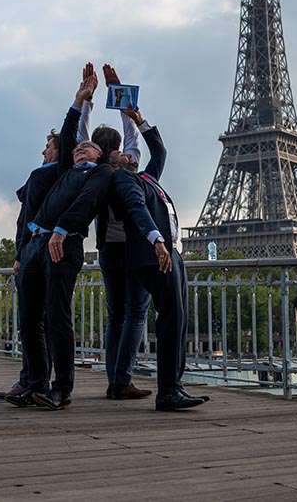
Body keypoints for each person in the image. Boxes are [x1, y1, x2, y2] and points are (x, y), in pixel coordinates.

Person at [6, 69, 114, 411]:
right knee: (29, 320)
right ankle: (33, 383)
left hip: (62, 244)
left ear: (102, 155)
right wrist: (79, 99)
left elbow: (86, 205)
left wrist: (63, 229)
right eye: (79, 147)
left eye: (90, 146)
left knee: (56, 316)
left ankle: (61, 388)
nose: (82, 148)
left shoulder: (102, 174)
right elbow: (69, 133)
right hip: (37, 244)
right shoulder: (66, 170)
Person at [111, 122, 209, 411]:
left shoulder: (145, 178)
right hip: (155, 255)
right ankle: (168, 390)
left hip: (169, 253)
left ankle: (173, 386)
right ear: (114, 165)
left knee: (177, 318)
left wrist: (138, 119)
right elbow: (136, 207)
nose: (128, 154)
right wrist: (156, 239)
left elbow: (159, 151)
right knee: (171, 319)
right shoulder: (124, 181)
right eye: (120, 154)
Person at [83, 65, 165, 401]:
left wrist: (86, 100)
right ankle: (122, 379)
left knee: (116, 314)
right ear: (116, 153)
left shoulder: (93, 172)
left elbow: (80, 136)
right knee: (136, 314)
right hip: (135, 249)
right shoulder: (129, 173)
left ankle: (115, 378)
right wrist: (122, 100)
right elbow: (140, 141)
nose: (127, 153)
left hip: (108, 251)